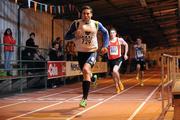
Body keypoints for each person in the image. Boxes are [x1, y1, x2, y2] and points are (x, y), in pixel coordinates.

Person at [64, 5, 109, 107]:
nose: (86, 15)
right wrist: (74, 34)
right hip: (80, 53)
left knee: (85, 69)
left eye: (88, 13)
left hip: (92, 51)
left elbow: (106, 33)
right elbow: (66, 36)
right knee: (86, 73)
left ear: (91, 15)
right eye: (84, 13)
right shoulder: (76, 23)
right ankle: (93, 78)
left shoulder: (96, 24)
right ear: (81, 14)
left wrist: (105, 46)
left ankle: (84, 99)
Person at [106, 28, 128, 93]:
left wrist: (125, 54)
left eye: (113, 33)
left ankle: (119, 82)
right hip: (110, 60)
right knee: (113, 75)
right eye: (111, 33)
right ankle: (116, 86)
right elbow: (105, 49)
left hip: (118, 58)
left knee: (115, 70)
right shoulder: (108, 41)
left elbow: (126, 44)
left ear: (115, 33)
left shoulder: (119, 40)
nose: (112, 34)